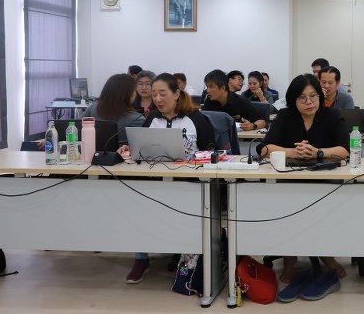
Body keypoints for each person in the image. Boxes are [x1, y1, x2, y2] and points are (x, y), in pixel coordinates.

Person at [118, 73, 215, 284]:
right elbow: (141, 148)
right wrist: (129, 148)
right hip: (154, 181)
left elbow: (211, 152)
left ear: (177, 94)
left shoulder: (196, 118)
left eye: (163, 94)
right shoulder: (152, 118)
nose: (158, 99)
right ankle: (141, 258)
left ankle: (186, 255)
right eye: (154, 95)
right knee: (138, 206)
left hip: (189, 184)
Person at [258, 73, 349, 298]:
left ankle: (327, 257)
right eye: (302, 98)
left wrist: (318, 152)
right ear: (293, 100)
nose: (309, 102)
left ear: (320, 96)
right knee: (289, 212)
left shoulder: (332, 115)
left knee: (324, 215)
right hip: (290, 181)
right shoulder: (285, 116)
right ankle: (290, 261)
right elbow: (264, 149)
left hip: (324, 181)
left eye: (313, 96)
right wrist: (293, 152)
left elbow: (345, 150)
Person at [81, 73, 145, 144]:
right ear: (128, 94)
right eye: (134, 90)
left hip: (91, 150)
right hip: (121, 151)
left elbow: (75, 126)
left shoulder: (92, 109)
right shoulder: (137, 119)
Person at [201, 69, 266, 130]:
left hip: (237, 137)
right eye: (207, 87)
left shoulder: (241, 101)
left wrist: (252, 126)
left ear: (223, 88)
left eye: (211, 87)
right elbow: (202, 122)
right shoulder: (209, 100)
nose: (207, 90)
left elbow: (262, 122)